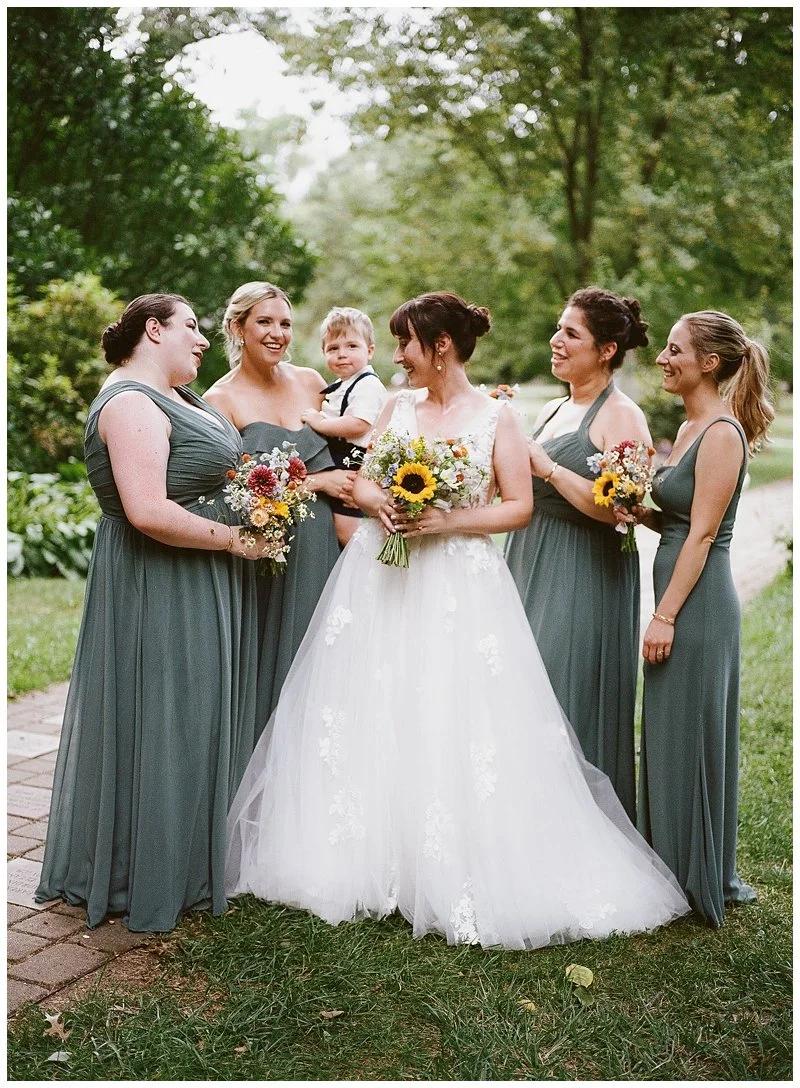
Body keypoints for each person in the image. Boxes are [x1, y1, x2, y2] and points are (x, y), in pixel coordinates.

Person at [226, 291, 690, 950]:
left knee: (450, 706)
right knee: (376, 699)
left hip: (458, 582)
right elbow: (364, 479)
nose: (397, 356)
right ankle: (367, 849)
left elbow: (517, 506)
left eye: (406, 343)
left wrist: (448, 521)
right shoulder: (396, 407)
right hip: (382, 575)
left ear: (440, 346)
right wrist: (380, 502)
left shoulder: (498, 417)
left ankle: (448, 856)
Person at [36, 294, 270, 932]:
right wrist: (236, 539)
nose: (203, 340)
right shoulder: (131, 403)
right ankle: (148, 871)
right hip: (159, 580)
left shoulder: (175, 396)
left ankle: (186, 860)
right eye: (191, 326)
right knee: (169, 715)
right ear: (153, 329)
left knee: (192, 712)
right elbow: (147, 510)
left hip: (195, 575)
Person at [632, 310, 773, 926]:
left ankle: (697, 872)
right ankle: (666, 860)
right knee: (668, 729)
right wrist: (637, 511)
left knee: (691, 732)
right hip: (677, 591)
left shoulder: (721, 433)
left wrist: (664, 616)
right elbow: (679, 521)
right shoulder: (689, 425)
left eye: (674, 349)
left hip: (698, 604)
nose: (663, 358)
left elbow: (705, 534)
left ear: (708, 363)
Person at [504, 287, 651, 821]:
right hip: (528, 557)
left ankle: (578, 824)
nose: (556, 340)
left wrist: (548, 469)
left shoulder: (623, 416)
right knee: (520, 690)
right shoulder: (554, 407)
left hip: (581, 570)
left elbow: (621, 510)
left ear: (606, 350)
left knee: (563, 691)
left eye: (571, 333)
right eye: (558, 328)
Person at [204, 282, 351, 728]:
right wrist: (319, 483)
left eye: (284, 323)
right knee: (276, 666)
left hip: (329, 544)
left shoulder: (311, 382)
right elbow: (234, 491)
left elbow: (352, 449)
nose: (277, 333)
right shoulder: (219, 400)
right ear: (238, 328)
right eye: (264, 322)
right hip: (270, 552)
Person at [300, 306, 388, 546]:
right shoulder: (344, 384)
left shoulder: (368, 385)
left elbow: (358, 424)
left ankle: (361, 558)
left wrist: (320, 422)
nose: (342, 354)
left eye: (352, 346)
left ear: (370, 351)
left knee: (347, 529)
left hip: (354, 459)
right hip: (342, 457)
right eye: (333, 348)